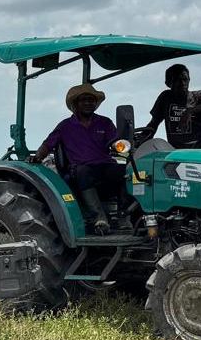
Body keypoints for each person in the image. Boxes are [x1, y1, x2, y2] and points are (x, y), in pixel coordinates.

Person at [28, 83, 132, 235]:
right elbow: (47, 144)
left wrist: (119, 144)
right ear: (75, 104)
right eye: (84, 100)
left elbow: (115, 141)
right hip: (80, 169)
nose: (88, 103)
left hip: (104, 165)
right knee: (84, 172)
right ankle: (99, 218)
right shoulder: (65, 126)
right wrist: (37, 157)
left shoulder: (105, 122)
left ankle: (124, 217)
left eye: (91, 100)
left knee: (128, 172)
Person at [139, 63, 201, 149]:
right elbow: (154, 123)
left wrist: (190, 111)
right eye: (178, 80)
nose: (183, 83)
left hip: (199, 149)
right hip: (175, 151)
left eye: (185, 79)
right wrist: (141, 139)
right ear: (168, 83)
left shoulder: (198, 96)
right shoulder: (165, 97)